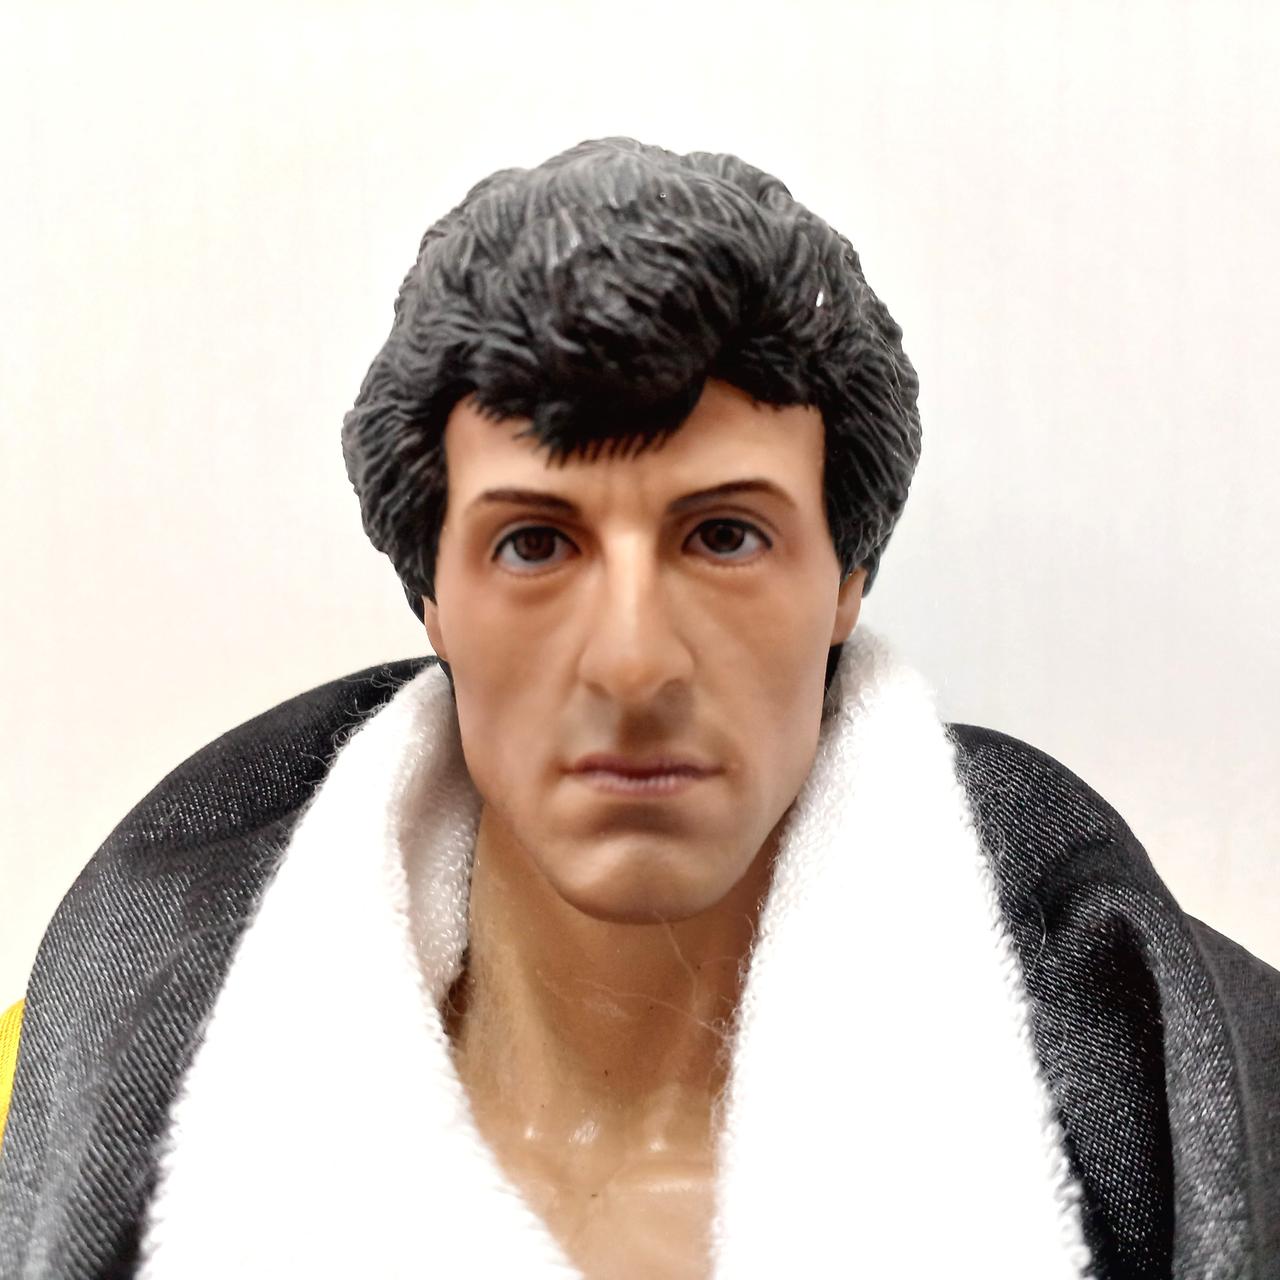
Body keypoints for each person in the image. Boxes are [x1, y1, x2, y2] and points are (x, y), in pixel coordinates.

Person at [1, 137, 1276, 1280]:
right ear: (430, 595)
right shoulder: (44, 1104)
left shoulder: (1212, 1113)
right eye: (533, 544)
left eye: (722, 535)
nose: (630, 662)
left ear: (845, 576)